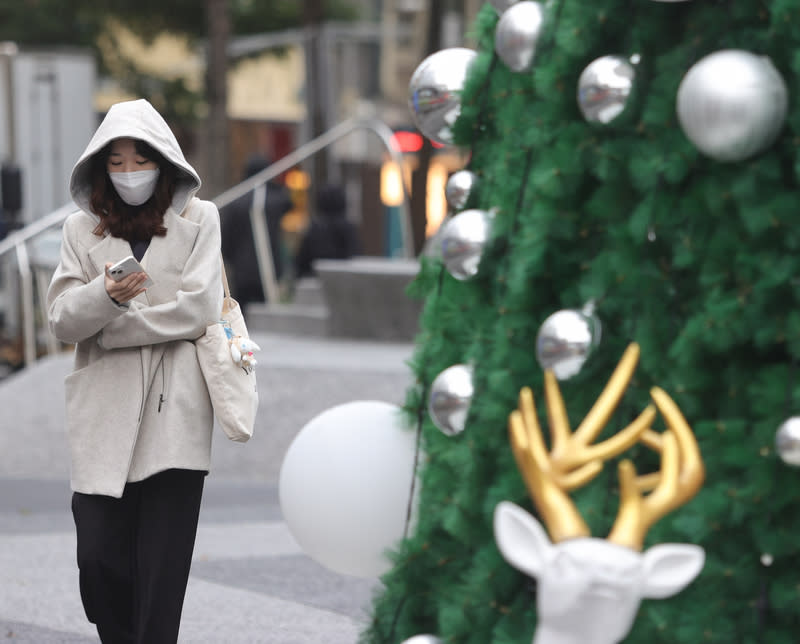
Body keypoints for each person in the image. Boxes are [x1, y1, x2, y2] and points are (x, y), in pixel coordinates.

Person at [46, 98, 223, 644]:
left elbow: (200, 309)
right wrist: (105, 294)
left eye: (139, 159)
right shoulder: (81, 230)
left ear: (164, 161)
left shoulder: (200, 218)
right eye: (116, 162)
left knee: (161, 581)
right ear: (100, 167)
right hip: (104, 418)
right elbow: (61, 319)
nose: (128, 173)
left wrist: (114, 326)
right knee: (99, 566)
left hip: (176, 421)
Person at [220, 155, 293, 311]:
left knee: (242, 315)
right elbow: (288, 203)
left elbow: (226, 239)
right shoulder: (275, 200)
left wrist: (230, 259)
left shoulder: (237, 201)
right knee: (268, 315)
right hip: (269, 269)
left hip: (242, 269)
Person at [294, 184, 362, 278]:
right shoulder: (349, 229)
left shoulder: (314, 230)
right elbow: (356, 257)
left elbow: (301, 262)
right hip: (344, 282)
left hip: (316, 282)